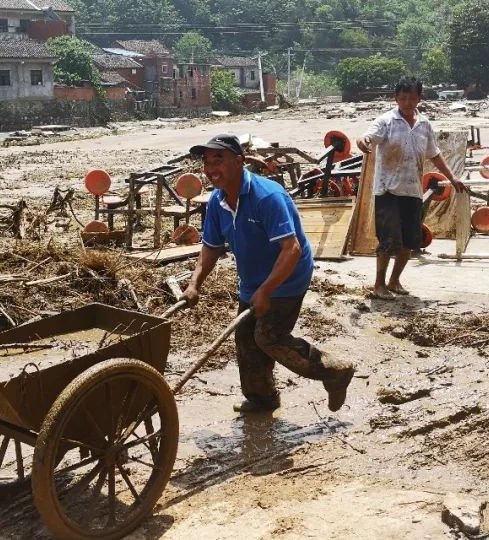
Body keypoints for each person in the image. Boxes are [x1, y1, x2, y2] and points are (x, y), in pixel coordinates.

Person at [181, 134, 356, 413]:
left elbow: (291, 249)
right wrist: (194, 284)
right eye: (206, 161)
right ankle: (263, 399)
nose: (211, 167)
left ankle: (335, 370)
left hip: (287, 277)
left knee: (268, 337)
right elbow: (211, 248)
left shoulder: (267, 197)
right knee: (246, 340)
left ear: (239, 161)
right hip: (252, 279)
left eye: (219, 159)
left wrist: (266, 291)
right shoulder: (217, 202)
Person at [357, 77, 465, 300]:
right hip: (388, 191)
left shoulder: (424, 125)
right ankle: (379, 285)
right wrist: (363, 141)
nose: (407, 102)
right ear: (396, 98)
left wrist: (452, 177)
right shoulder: (386, 121)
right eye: (403, 97)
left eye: (412, 97)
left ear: (419, 98)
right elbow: (369, 136)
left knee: (409, 241)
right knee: (388, 240)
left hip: (412, 191)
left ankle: (394, 281)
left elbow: (434, 154)